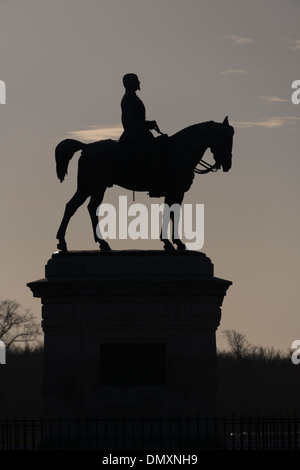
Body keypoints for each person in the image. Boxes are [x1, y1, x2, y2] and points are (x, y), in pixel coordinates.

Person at [119, 73, 166, 196]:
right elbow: (129, 122)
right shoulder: (129, 98)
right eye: (136, 80)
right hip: (135, 135)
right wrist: (146, 125)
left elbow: (136, 120)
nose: (139, 82)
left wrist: (148, 124)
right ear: (130, 83)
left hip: (140, 133)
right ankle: (155, 187)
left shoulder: (132, 97)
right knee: (157, 153)